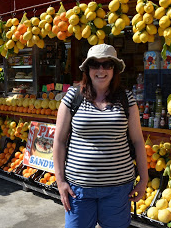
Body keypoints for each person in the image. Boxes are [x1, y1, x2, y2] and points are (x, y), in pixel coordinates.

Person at [53, 44, 148, 228]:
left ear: (114, 69)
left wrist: (143, 179)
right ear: (87, 69)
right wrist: (60, 181)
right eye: (95, 64)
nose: (101, 70)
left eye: (107, 65)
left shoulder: (126, 98)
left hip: (118, 189)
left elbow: (137, 141)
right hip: (78, 190)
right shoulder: (73, 97)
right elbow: (59, 141)